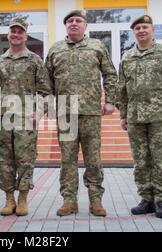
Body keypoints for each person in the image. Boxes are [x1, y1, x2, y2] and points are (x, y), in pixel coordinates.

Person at [45, 10, 118, 217]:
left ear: (85, 26)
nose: (74, 24)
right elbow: (46, 81)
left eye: (78, 21)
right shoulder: (56, 49)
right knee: (67, 159)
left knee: (93, 159)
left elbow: (110, 74)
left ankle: (96, 200)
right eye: (70, 21)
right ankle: (69, 201)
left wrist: (110, 101)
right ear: (65, 26)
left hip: (91, 112)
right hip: (66, 115)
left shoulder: (97, 46)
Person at [117, 15, 162, 218]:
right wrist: (123, 114)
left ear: (152, 30)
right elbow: (122, 88)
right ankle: (146, 198)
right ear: (134, 32)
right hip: (135, 117)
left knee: (160, 160)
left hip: (159, 116)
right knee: (140, 160)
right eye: (137, 28)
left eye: (145, 27)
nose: (141, 30)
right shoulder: (127, 56)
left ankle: (161, 200)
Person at [0, 18, 53, 216]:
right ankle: (9, 199)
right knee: (4, 159)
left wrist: (40, 112)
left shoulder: (34, 61)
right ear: (8, 35)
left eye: (20, 32)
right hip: (3, 120)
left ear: (25, 36)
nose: (16, 34)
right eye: (13, 31)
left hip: (26, 119)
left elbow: (45, 92)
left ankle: (23, 199)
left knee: (25, 159)